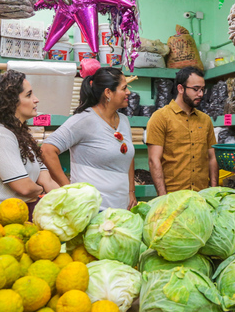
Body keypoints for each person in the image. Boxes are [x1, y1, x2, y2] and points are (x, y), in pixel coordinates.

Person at [41, 67, 136, 210]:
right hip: (91, 210)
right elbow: (47, 149)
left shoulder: (123, 120)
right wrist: (69, 190)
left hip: (120, 208)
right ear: (108, 92)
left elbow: (128, 156)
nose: (128, 92)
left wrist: (131, 191)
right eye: (124, 88)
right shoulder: (84, 120)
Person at [0, 70, 58, 216]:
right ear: (11, 102)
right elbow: (24, 187)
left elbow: (47, 180)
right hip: (8, 216)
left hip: (26, 211)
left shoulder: (18, 135)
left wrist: (69, 200)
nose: (36, 100)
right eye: (29, 95)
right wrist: (40, 189)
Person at [146, 66, 218, 195]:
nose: (200, 94)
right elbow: (154, 160)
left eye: (202, 90)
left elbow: (212, 157)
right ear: (180, 88)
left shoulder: (206, 120)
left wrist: (213, 192)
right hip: (173, 195)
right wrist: (163, 198)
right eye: (195, 89)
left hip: (201, 195)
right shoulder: (160, 117)